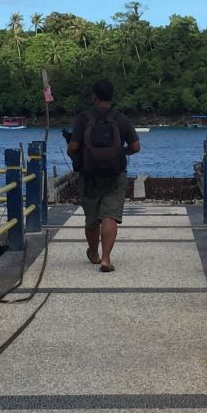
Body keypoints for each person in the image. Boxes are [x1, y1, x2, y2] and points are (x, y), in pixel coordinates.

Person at [67, 79, 140, 272]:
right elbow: (136, 147)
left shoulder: (84, 118)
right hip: (115, 175)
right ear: (111, 97)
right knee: (110, 216)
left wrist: (76, 153)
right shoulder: (121, 119)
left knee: (92, 218)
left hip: (89, 175)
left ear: (95, 96)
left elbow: (73, 147)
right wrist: (120, 153)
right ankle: (106, 259)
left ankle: (94, 253)